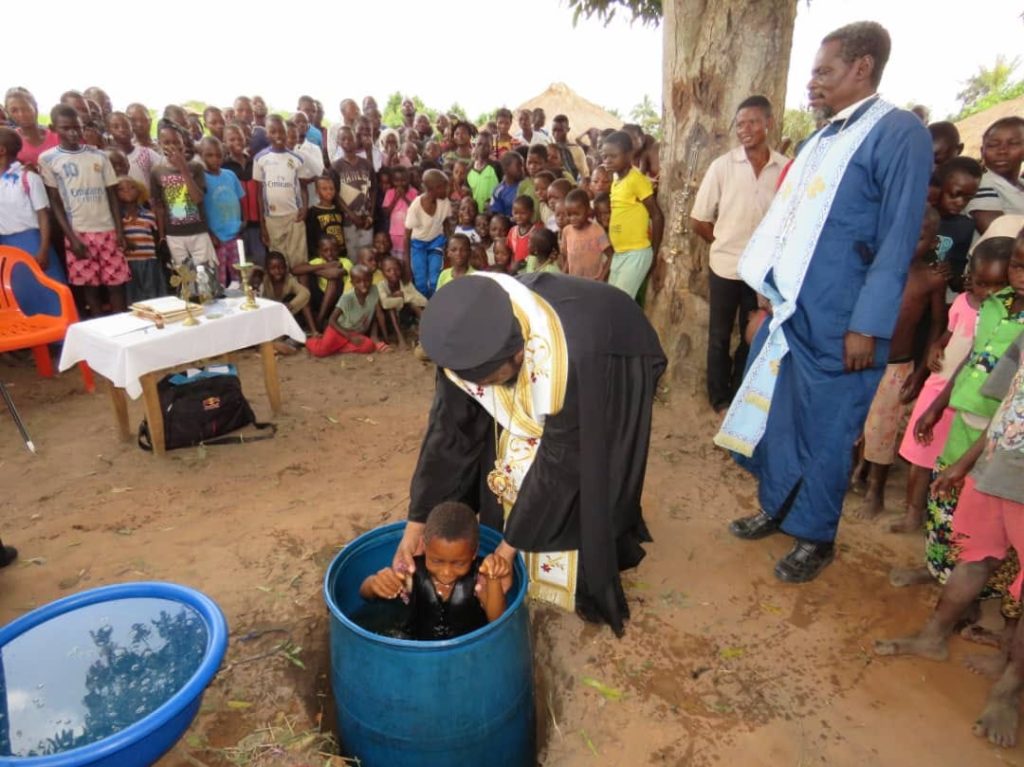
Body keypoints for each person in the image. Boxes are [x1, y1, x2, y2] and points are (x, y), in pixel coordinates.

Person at [716, 21, 934, 582]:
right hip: (794, 314)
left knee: (829, 432)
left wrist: (868, 323)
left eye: (823, 71)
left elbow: (897, 236)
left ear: (862, 68)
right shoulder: (821, 139)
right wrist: (767, 295)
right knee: (781, 418)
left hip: (845, 323)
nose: (811, 83)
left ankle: (815, 534)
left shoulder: (898, 133)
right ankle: (776, 506)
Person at [393, 272, 665, 636]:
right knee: (504, 442)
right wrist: (418, 521)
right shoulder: (467, 336)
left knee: (591, 466)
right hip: (554, 346)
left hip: (609, 346)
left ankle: (580, 562)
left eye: (490, 381)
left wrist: (506, 551)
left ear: (519, 354)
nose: (483, 390)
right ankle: (516, 531)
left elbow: (561, 461)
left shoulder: (570, 359)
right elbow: (449, 434)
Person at [874, 289, 1024, 749]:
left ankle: (1008, 690)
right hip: (997, 467)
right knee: (974, 557)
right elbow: (1005, 405)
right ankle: (933, 636)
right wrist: (966, 463)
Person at [913, 221, 1023, 588]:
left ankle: (964, 593)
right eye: (1018, 266)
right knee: (941, 498)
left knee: (971, 515)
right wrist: (938, 405)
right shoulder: (993, 305)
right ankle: (936, 568)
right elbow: (972, 358)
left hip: (993, 438)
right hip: (963, 420)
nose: (1020, 276)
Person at [889, 233, 1011, 550]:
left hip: (979, 411)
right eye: (981, 283)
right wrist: (934, 350)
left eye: (996, 286)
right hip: (943, 392)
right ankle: (919, 519)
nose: (987, 293)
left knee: (959, 476)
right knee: (923, 459)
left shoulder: (1006, 319)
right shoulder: (968, 305)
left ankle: (950, 539)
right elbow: (952, 337)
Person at [690, 95, 788, 413]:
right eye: (740, 123)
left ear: (769, 124)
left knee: (754, 333)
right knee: (719, 335)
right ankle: (718, 398)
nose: (745, 129)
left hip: (762, 272)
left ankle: (739, 391)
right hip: (725, 266)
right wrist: (723, 242)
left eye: (753, 122)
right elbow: (699, 219)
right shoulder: (722, 166)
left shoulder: (785, 168)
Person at [856, 206, 947, 520]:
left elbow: (937, 325)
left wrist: (920, 372)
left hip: (897, 365)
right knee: (854, 422)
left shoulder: (931, 279)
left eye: (919, 238)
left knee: (883, 430)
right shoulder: (875, 268)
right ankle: (853, 474)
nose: (909, 243)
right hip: (861, 360)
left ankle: (875, 492)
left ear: (934, 243)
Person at [360, 502, 511, 640]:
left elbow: (497, 620)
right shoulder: (411, 572)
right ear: (424, 546)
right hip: (417, 646)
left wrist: (494, 577)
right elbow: (365, 594)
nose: (446, 572)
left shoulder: (481, 576)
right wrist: (374, 584)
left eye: (458, 563)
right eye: (437, 561)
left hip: (468, 648)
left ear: (474, 553)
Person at [39, 105, 129, 316]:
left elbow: (112, 196)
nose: (72, 133)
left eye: (76, 128)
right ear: (53, 128)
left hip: (107, 229)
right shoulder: (49, 159)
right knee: (91, 287)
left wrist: (119, 231)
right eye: (65, 128)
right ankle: (99, 331)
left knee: (116, 284)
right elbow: (56, 201)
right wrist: (72, 237)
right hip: (78, 232)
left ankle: (122, 329)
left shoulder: (99, 156)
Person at [0, 127, 66, 315]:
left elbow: (42, 214)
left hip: (32, 241)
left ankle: (59, 338)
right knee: (19, 292)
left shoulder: (27, 178)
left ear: (2, 150)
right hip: (6, 243)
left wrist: (43, 249)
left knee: (46, 289)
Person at [150, 122, 219, 298]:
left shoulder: (195, 168)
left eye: (175, 142)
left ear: (182, 143)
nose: (171, 146)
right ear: (159, 143)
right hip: (175, 235)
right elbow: (159, 206)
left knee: (205, 279)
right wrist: (162, 235)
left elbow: (197, 198)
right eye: (166, 142)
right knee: (185, 282)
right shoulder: (157, 171)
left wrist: (183, 169)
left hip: (198, 232)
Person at [602, 131, 665, 299]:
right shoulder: (616, 180)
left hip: (636, 253)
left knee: (620, 302)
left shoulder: (636, 180)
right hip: (620, 253)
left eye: (613, 156)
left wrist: (654, 251)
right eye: (605, 156)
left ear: (629, 155)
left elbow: (656, 215)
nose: (607, 160)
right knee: (612, 299)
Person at [254, 116, 315, 285]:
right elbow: (260, 194)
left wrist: (305, 208)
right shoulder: (260, 159)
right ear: (267, 134)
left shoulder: (296, 159)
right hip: (273, 219)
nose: (278, 135)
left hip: (294, 216)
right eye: (273, 131)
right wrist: (262, 225)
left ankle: (304, 302)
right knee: (279, 264)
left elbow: (302, 186)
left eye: (281, 131)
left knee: (299, 261)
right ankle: (283, 302)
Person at [306, 264, 390, 356]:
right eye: (358, 282)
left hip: (355, 332)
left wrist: (375, 337)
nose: (363, 284)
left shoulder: (374, 290)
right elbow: (331, 320)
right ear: (352, 283)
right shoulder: (347, 298)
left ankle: (335, 348)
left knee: (368, 346)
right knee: (320, 352)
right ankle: (311, 341)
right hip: (339, 330)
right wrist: (349, 336)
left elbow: (374, 316)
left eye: (367, 280)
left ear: (371, 279)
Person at [965, 117, 1024, 235]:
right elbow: (999, 235)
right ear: (982, 152)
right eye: (992, 145)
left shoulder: (1020, 184)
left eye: (1013, 144)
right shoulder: (980, 183)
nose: (1002, 151)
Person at [199, 137, 245, 288]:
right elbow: (199, 209)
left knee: (238, 276)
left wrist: (243, 221)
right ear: (201, 155)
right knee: (219, 279)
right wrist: (210, 233)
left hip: (234, 234)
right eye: (209, 155)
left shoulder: (230, 175)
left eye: (219, 155)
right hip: (216, 238)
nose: (215, 159)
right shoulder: (201, 178)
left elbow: (240, 198)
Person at [933, 157, 983, 294]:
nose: (960, 202)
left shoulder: (964, 227)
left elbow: (957, 283)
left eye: (968, 198)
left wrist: (951, 273)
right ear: (940, 186)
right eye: (955, 194)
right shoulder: (919, 218)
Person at [116, 176, 164, 303]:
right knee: (134, 297)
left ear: (139, 191)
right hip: (129, 263)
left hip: (149, 261)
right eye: (121, 189)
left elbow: (154, 237)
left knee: (152, 294)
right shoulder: (118, 219)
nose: (127, 191)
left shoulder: (149, 215)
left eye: (132, 187)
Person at [405, 169, 451, 298]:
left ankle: (435, 304)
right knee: (420, 280)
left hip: (436, 241)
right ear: (433, 189)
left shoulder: (444, 202)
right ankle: (424, 307)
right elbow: (406, 236)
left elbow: (446, 223)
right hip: (418, 245)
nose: (447, 190)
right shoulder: (416, 207)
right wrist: (407, 265)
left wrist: (448, 244)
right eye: (444, 187)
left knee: (435, 277)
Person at [330, 126, 375, 255]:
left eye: (351, 138)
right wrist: (351, 215)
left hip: (366, 218)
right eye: (343, 139)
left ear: (356, 140)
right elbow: (336, 195)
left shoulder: (366, 164)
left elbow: (373, 190)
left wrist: (371, 215)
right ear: (338, 142)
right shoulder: (335, 167)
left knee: (367, 253)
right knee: (352, 254)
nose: (347, 142)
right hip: (348, 220)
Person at [257, 250, 318, 338]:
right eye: (273, 268)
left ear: (286, 268)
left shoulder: (289, 280)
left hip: (288, 316)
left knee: (291, 297)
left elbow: (305, 293)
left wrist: (290, 305)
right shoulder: (264, 280)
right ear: (267, 269)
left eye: (281, 267)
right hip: (269, 316)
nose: (277, 271)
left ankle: (306, 332)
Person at [562, 188, 611, 281]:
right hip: (574, 281)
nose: (572, 218)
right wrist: (563, 276)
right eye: (569, 214)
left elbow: (610, 256)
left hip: (594, 281)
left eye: (577, 214)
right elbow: (567, 258)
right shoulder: (566, 231)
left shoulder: (598, 231)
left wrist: (602, 277)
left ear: (588, 210)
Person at [5, 89, 58, 167]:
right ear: (8, 113)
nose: (21, 114)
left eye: (26, 108)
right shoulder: (10, 142)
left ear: (35, 107)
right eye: (14, 110)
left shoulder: (57, 135)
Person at [382, 166, 417, 268]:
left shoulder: (413, 192)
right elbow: (386, 213)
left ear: (408, 180)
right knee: (397, 262)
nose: (400, 184)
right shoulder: (390, 193)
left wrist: (404, 198)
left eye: (403, 180)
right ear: (392, 181)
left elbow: (416, 211)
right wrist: (395, 199)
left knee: (409, 261)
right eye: (397, 181)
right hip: (394, 235)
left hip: (410, 234)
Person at [550, 114, 589, 184]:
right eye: (554, 130)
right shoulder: (549, 149)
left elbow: (584, 175)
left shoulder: (577, 150)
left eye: (560, 130)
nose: (556, 134)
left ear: (568, 130)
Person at [506, 196, 540, 267]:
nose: (518, 216)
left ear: (532, 213)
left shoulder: (537, 231)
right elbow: (511, 252)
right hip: (516, 271)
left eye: (523, 213)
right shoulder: (512, 231)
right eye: (516, 213)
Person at [468, 142, 500, 216]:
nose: (482, 148)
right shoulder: (469, 169)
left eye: (486, 145)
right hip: (476, 213)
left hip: (493, 212)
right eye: (479, 144)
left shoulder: (495, 166)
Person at [490, 153, 524, 218]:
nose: (522, 169)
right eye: (518, 166)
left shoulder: (527, 185)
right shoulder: (498, 191)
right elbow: (497, 215)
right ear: (506, 168)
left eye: (523, 165)